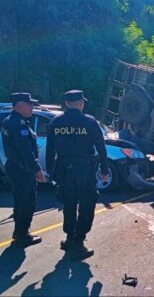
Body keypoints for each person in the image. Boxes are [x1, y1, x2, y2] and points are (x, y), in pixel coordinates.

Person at [46, 90, 109, 260]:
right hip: (84, 171)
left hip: (64, 170)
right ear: (81, 103)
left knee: (69, 205)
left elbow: (50, 150)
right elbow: (101, 147)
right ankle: (79, 241)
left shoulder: (56, 122)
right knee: (87, 205)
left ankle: (69, 238)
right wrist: (104, 170)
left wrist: (51, 172)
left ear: (67, 103)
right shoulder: (89, 122)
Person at [1, 92, 46, 247]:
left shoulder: (11, 120)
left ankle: (19, 231)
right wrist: (37, 169)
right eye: (29, 104)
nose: (32, 107)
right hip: (22, 169)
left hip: (16, 167)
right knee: (27, 202)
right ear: (19, 105)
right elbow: (25, 150)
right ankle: (22, 234)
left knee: (20, 201)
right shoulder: (18, 124)